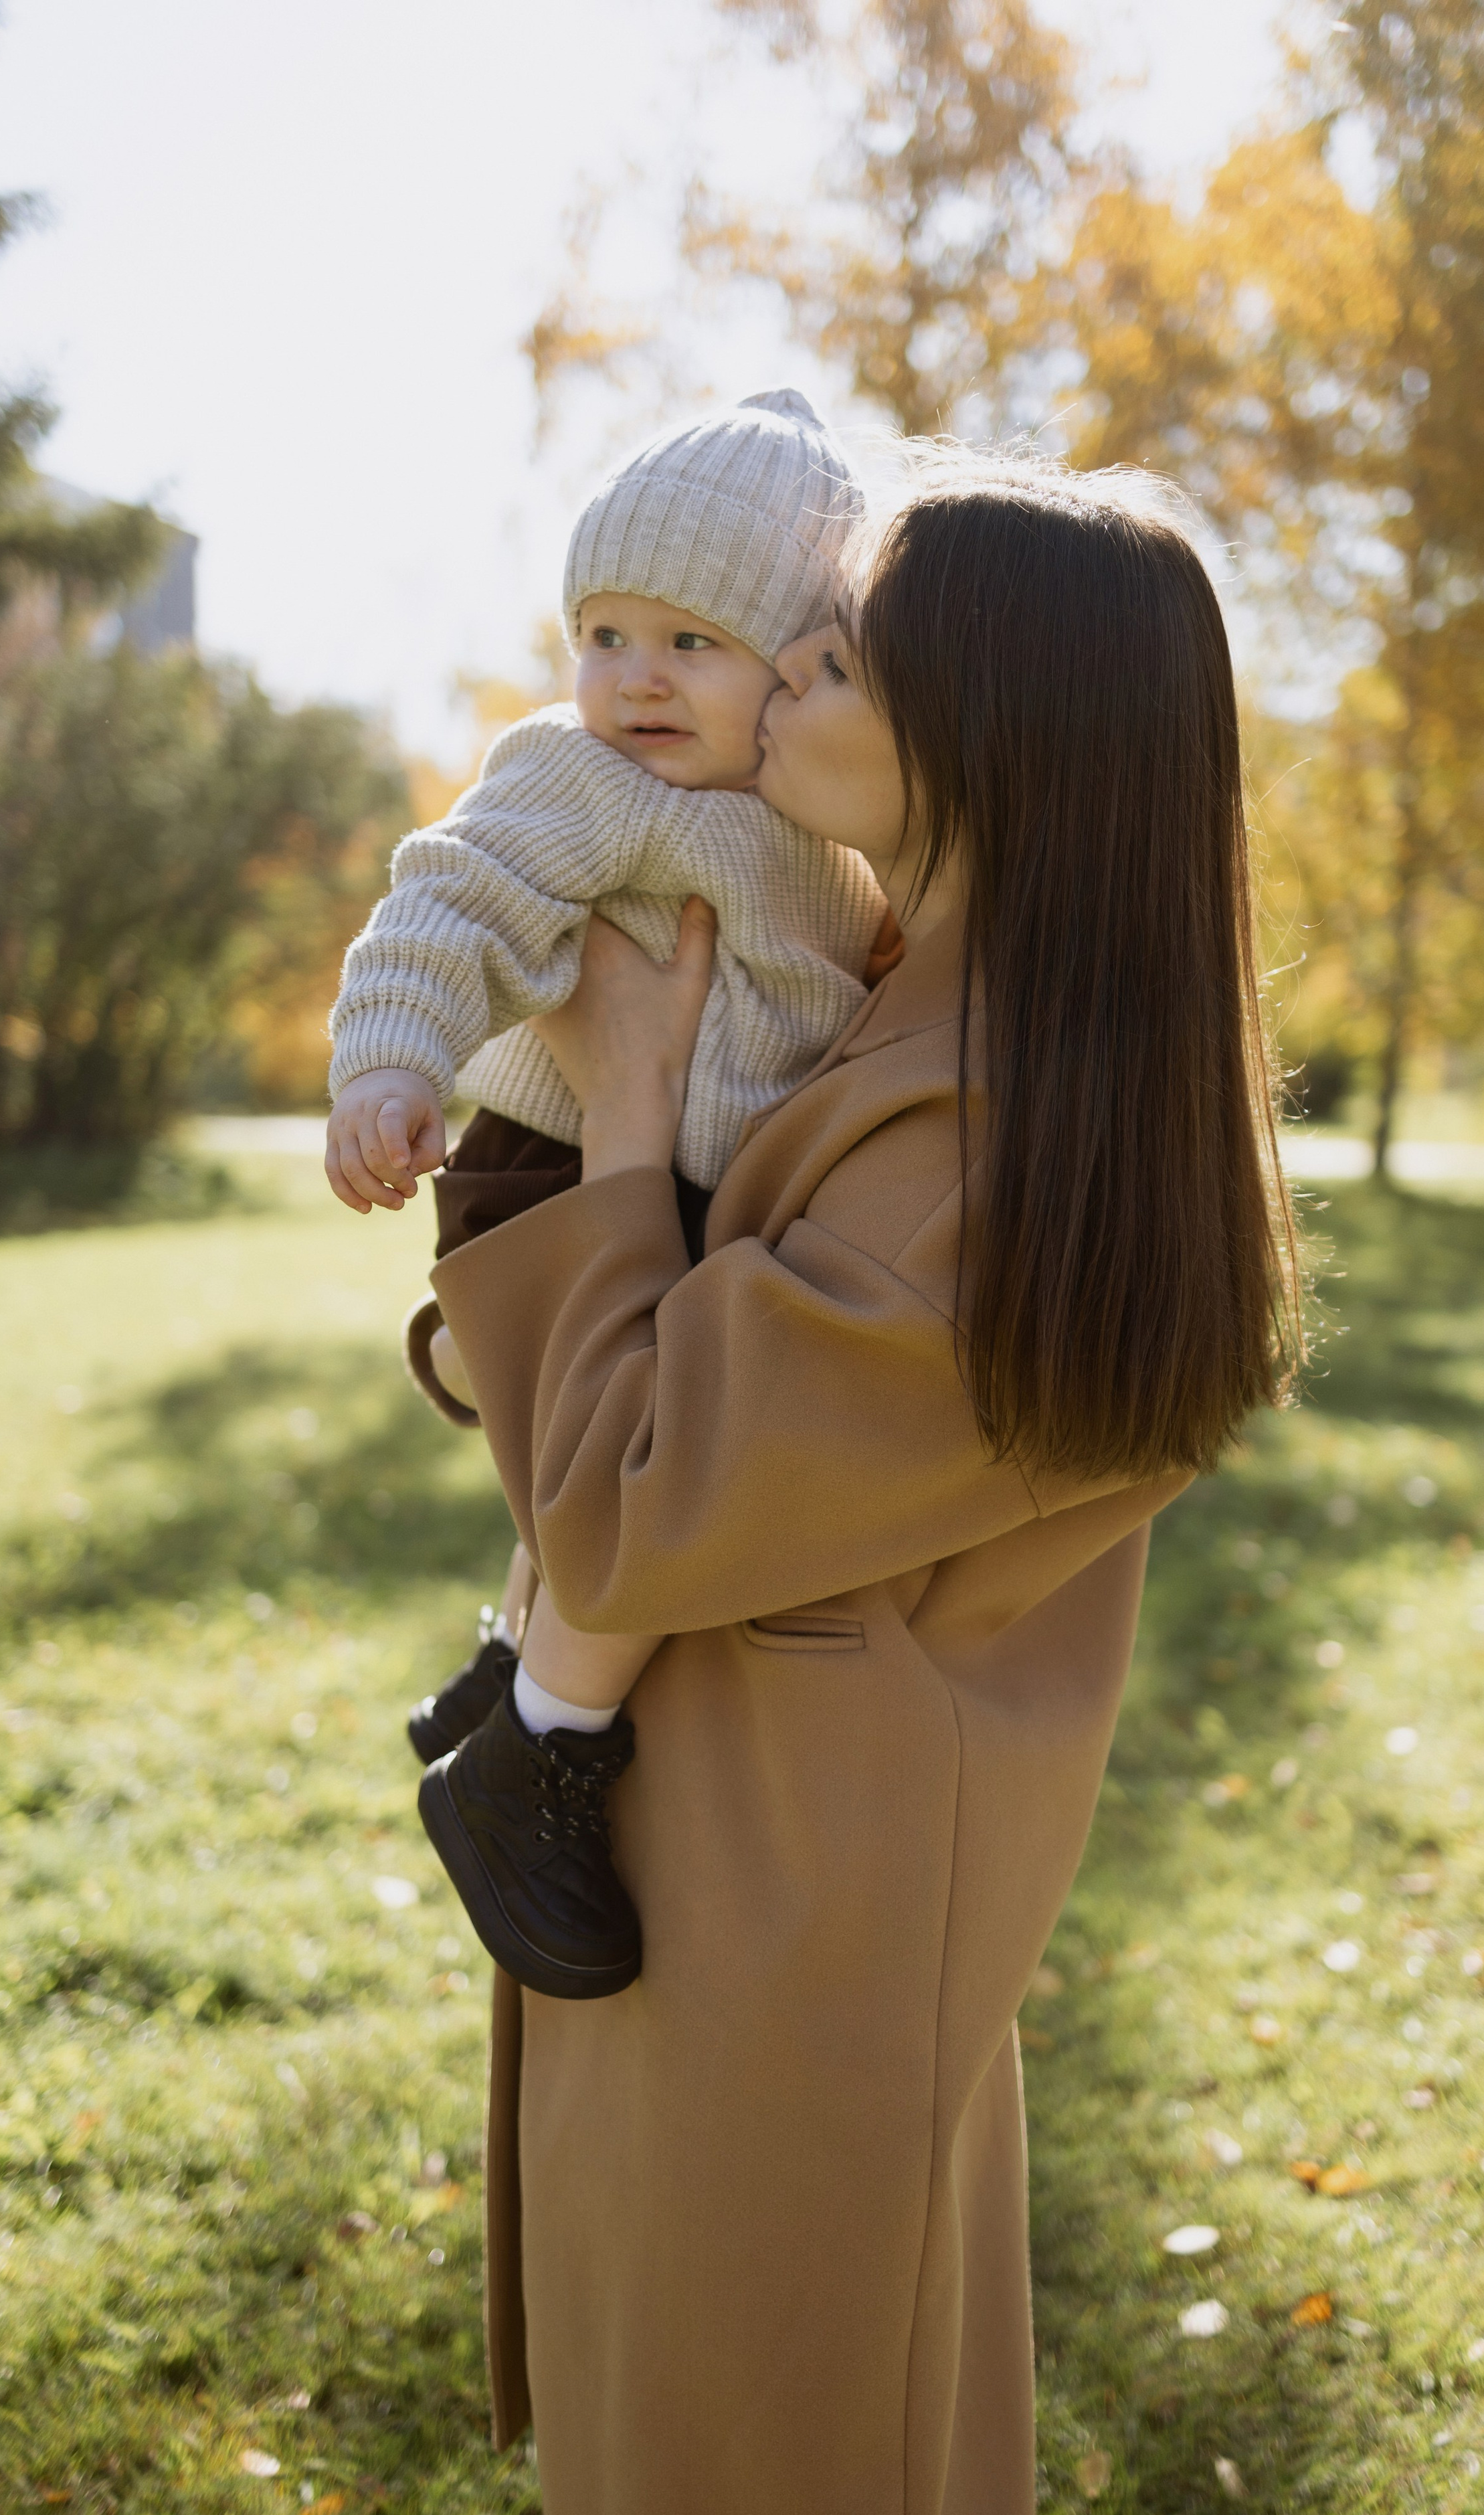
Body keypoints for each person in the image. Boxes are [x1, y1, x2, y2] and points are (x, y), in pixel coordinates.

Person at [428, 451, 1300, 2515]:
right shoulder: (916, 1009)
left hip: (782, 1930)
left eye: (832, 657)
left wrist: (623, 1113)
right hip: (769, 1870)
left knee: (773, 2486)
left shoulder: (980, 1147)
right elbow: (665, 1406)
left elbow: (635, 1494)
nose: (771, 684)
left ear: (981, 732)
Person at [321, 391, 889, 1997]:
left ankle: (505, 1672)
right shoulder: (576, 778)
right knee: (650, 1470)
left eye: (690, 644)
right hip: (549, 1167)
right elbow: (449, 903)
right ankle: (538, 1758)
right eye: (603, 630)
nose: (633, 676)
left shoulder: (807, 824)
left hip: (687, 1177)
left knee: (625, 1452)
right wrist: (391, 1068)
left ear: (791, 669)